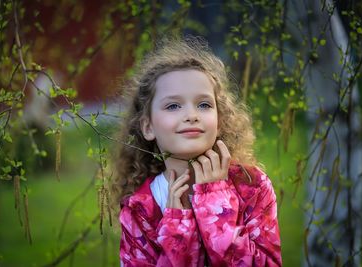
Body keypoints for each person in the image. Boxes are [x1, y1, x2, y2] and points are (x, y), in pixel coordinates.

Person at [111, 36, 282, 266]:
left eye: (204, 105)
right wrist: (177, 227)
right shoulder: (140, 209)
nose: (192, 115)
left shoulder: (252, 186)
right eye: (173, 106)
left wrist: (215, 201)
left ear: (219, 120)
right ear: (148, 127)